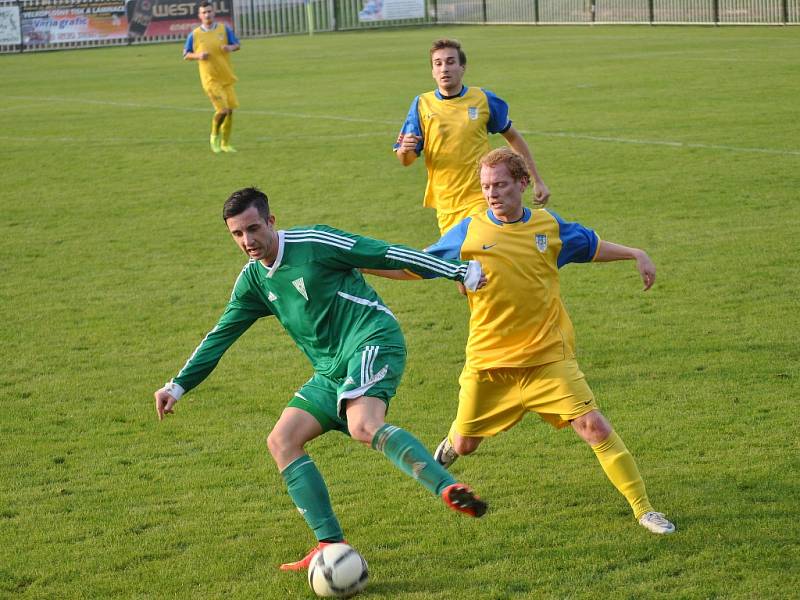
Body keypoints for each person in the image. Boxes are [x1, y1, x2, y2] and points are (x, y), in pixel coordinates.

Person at [153, 187, 489, 571]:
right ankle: (329, 544)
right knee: (282, 440)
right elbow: (221, 334)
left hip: (372, 339)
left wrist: (459, 271)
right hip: (330, 371)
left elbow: (387, 252)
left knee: (364, 425)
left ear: (271, 221)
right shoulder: (254, 281)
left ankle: (446, 487)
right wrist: (177, 385)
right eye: (237, 234)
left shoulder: (314, 242)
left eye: (253, 228)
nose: (248, 241)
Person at [381, 148, 675, 535]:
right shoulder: (468, 231)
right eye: (486, 186)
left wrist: (634, 253)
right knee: (468, 444)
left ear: (522, 183)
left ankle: (643, 510)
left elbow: (589, 246)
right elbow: (418, 265)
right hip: (490, 364)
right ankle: (454, 438)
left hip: (546, 359)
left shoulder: (547, 227)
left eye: (500, 184)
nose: (492, 193)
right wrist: (353, 264)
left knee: (595, 427)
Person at [394, 38, 550, 235]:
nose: (444, 69)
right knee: (461, 261)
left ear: (462, 67)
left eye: (451, 62)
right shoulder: (421, 104)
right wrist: (404, 150)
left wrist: (537, 180)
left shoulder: (483, 99)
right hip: (446, 203)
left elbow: (513, 138)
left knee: (482, 247)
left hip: (481, 196)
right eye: (438, 64)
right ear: (433, 72)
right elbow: (406, 160)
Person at [183, 0, 240, 154]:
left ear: (213, 13)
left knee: (230, 111)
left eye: (209, 11)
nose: (207, 14)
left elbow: (237, 44)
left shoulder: (223, 29)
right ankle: (214, 136)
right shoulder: (194, 35)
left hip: (226, 77)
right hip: (210, 79)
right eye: (204, 12)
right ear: (199, 16)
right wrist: (198, 55)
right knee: (222, 110)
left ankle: (225, 144)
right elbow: (186, 54)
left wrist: (229, 47)